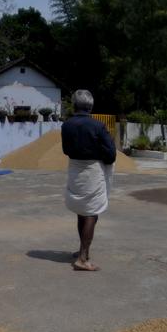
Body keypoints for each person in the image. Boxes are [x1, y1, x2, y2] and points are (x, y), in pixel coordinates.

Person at [60, 89, 116, 272]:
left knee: (81, 211)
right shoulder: (97, 126)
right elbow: (111, 155)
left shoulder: (66, 125)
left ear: (74, 106)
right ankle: (83, 258)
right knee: (91, 212)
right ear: (90, 107)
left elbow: (66, 150)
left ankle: (82, 250)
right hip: (92, 171)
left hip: (74, 169)